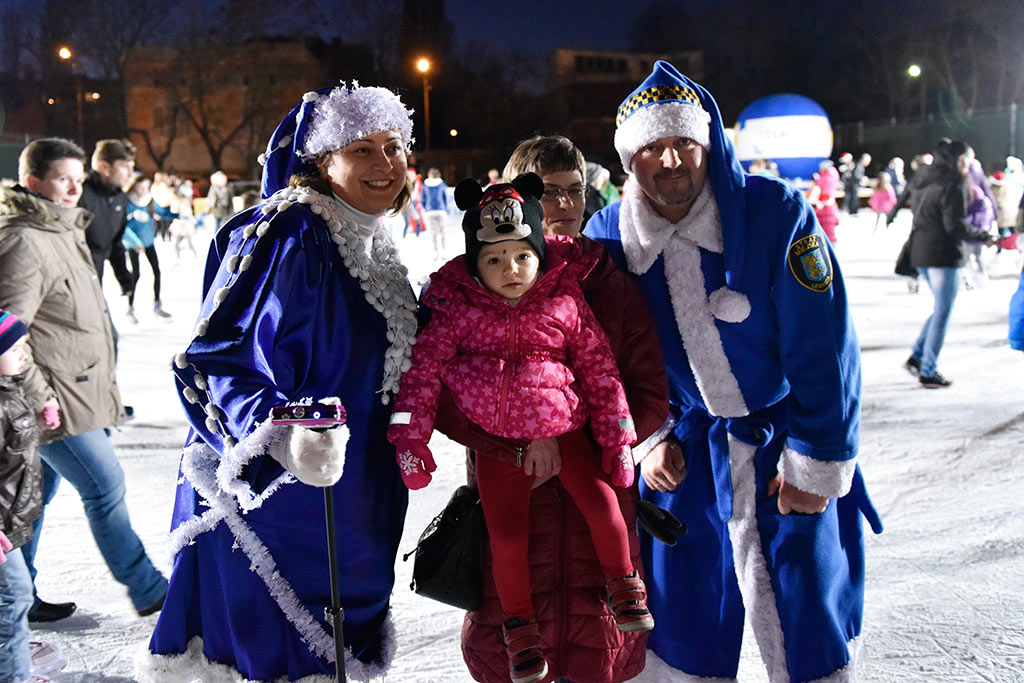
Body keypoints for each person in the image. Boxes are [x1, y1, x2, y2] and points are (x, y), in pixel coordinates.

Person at [585, 61, 882, 683]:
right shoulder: (607, 237)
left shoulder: (777, 215)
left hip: (782, 443)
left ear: (709, 145)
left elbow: (824, 348)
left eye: (683, 143)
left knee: (806, 603)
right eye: (652, 148)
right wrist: (650, 439)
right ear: (627, 159)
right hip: (684, 448)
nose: (670, 161)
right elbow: (601, 358)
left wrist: (817, 460)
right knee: (680, 613)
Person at [143, 83, 420, 682]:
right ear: (323, 162)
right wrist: (280, 437)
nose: (384, 164)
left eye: (393, 146)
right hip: (276, 506)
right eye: (361, 149)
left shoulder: (370, 242)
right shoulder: (289, 233)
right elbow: (220, 356)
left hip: (352, 504)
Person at [388, 172, 653, 683]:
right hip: (499, 446)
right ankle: (519, 627)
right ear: (473, 262)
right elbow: (422, 372)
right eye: (493, 260)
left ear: (539, 255)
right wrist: (410, 435)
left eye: (521, 257)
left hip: (568, 432)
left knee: (604, 506)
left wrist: (619, 437)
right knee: (506, 536)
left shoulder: (564, 300)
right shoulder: (456, 309)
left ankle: (624, 584)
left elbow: (601, 369)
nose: (510, 270)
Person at [0, 138, 168, 624]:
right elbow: (9, 331)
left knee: (35, 497)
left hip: (80, 387)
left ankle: (17, 595)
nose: (75, 188)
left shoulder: (60, 228)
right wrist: (40, 398)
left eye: (78, 178)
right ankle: (150, 589)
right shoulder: (24, 240)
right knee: (105, 486)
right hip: (55, 398)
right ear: (33, 182)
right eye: (62, 179)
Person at [0, 309, 68, 683]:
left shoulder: (10, 392)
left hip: (9, 526)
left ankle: (12, 662)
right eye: (15, 348)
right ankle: (12, 674)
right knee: (14, 597)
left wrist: (37, 419)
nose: (25, 354)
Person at [903, 139, 997, 388]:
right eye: (969, 159)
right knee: (943, 312)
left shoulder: (926, 177)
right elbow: (954, 225)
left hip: (920, 252)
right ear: (960, 160)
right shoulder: (953, 182)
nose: (971, 165)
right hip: (942, 255)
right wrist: (983, 236)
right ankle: (928, 370)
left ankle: (918, 356)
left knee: (940, 309)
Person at [79, 139, 136, 292]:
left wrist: (124, 278)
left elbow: (115, 242)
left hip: (97, 279)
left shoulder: (120, 198)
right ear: (104, 167)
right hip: (75, 282)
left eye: (132, 167)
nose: (131, 174)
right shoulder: (80, 196)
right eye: (124, 166)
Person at [122, 174, 172, 323]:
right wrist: (135, 242)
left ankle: (157, 305)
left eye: (145, 188)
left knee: (157, 271)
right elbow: (122, 226)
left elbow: (160, 212)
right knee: (136, 274)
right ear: (134, 187)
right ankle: (130, 308)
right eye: (140, 188)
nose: (143, 191)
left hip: (149, 241)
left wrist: (173, 217)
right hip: (133, 244)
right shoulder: (127, 202)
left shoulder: (149, 200)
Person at [807, 159, 840, 243]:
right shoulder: (829, 175)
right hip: (826, 204)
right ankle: (829, 241)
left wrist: (820, 200)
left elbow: (825, 191)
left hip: (824, 204)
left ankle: (828, 241)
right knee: (827, 224)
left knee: (826, 223)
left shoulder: (827, 177)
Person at [420, 167, 450, 259]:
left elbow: (422, 199)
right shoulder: (441, 184)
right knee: (442, 232)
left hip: (430, 211)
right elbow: (445, 197)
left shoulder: (425, 184)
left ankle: (435, 253)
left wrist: (426, 208)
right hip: (441, 210)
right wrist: (445, 208)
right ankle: (444, 252)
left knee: (433, 233)